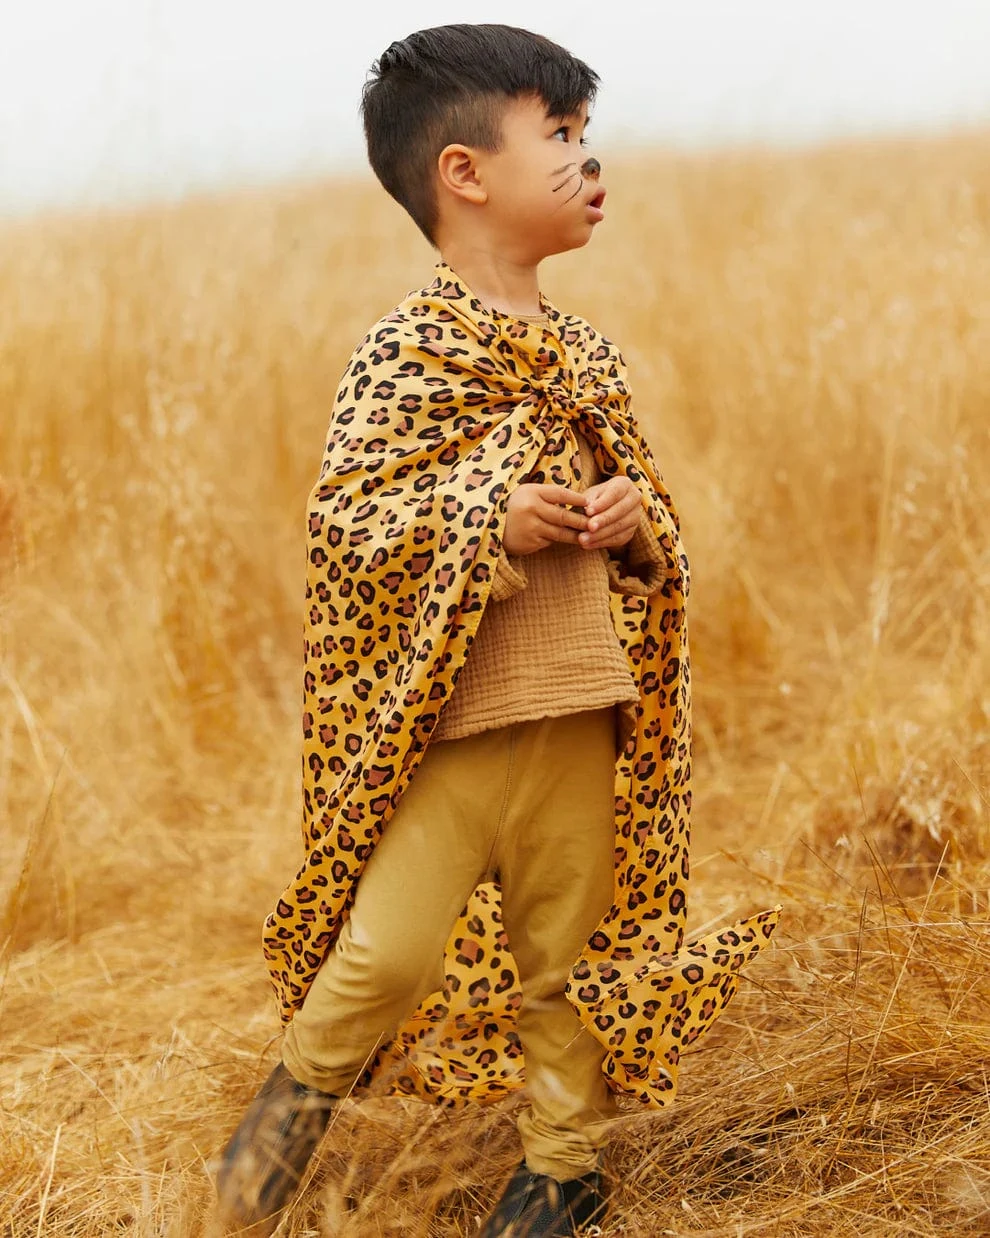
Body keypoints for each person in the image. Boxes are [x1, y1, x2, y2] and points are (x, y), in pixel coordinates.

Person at [214, 22, 779, 1238]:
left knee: (566, 964)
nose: (588, 158)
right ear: (465, 172)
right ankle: (254, 1170)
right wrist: (491, 515)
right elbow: (347, 527)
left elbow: (652, 527)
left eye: (587, 133)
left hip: (582, 705)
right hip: (461, 728)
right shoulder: (405, 351)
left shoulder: (586, 355)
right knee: (385, 955)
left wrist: (631, 521)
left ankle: (563, 1173)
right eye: (559, 134)